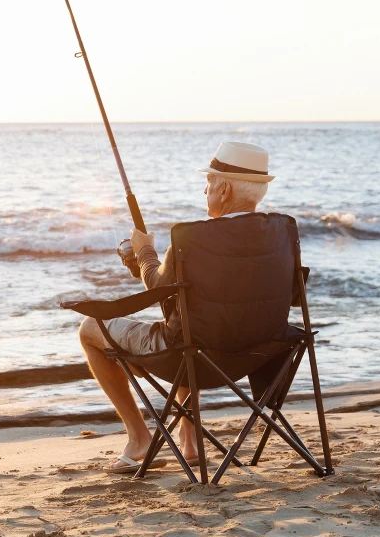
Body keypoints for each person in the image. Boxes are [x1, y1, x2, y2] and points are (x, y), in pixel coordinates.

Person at [77, 141, 277, 474]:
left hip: (196, 356)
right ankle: (189, 435)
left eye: (210, 183)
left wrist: (144, 252)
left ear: (224, 189)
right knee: (189, 318)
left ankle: (139, 436)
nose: (205, 189)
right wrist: (143, 264)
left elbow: (157, 287)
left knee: (89, 328)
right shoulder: (279, 234)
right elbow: (172, 294)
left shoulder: (195, 239)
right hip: (255, 356)